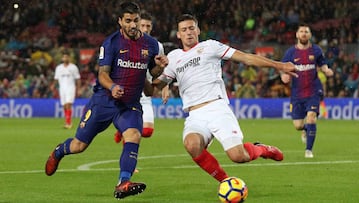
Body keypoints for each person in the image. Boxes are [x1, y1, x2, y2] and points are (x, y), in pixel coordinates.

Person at [151, 14, 297, 184]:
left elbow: (246, 58)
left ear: (198, 30)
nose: (188, 32)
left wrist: (280, 65)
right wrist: (154, 70)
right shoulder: (173, 57)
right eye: (184, 30)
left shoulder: (210, 46)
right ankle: (227, 182)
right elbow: (153, 88)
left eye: (191, 28)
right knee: (191, 144)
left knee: (238, 156)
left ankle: (262, 149)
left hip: (217, 108)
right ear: (178, 34)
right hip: (194, 115)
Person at [45, 2, 168, 200]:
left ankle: (123, 182)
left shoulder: (151, 44)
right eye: (128, 21)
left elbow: (151, 73)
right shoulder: (111, 43)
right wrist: (112, 87)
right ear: (120, 21)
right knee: (79, 146)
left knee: (134, 135)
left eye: (135, 20)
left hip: (130, 104)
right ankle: (59, 151)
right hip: (104, 101)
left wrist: (160, 67)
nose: (133, 25)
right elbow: (102, 74)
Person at [114, 11, 170, 144]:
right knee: (133, 130)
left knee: (147, 131)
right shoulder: (125, 43)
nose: (145, 29)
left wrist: (165, 86)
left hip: (145, 93)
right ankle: (130, 164)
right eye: (143, 25)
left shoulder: (156, 46)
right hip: (128, 92)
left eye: (148, 26)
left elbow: (161, 68)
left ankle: (122, 129)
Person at [280, 23, 333, 158]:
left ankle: (308, 150)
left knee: (311, 117)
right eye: (301, 31)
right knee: (298, 125)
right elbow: (283, 67)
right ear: (297, 35)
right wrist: (284, 76)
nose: (304, 33)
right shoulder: (290, 52)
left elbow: (322, 63)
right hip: (297, 93)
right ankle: (304, 130)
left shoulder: (316, 50)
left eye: (306, 31)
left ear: (309, 35)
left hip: (313, 91)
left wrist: (326, 70)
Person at [54, 51, 80, 129]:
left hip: (71, 87)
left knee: (68, 104)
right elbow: (56, 78)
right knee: (65, 106)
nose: (65, 58)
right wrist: (53, 86)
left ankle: (69, 123)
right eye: (64, 57)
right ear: (62, 58)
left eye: (66, 57)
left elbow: (78, 79)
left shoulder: (73, 67)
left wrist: (78, 89)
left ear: (69, 58)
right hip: (62, 88)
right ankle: (67, 122)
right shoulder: (59, 68)